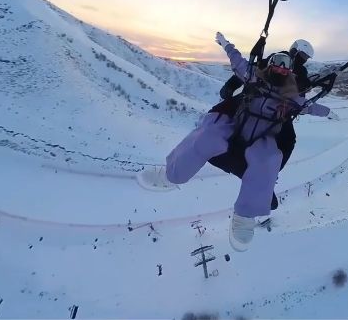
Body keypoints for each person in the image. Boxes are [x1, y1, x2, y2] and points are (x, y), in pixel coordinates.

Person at [138, 33, 330, 251]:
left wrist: (325, 110)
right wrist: (226, 46)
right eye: (281, 62)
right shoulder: (258, 74)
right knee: (209, 134)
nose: (283, 67)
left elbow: (306, 106)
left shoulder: (295, 87)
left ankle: (246, 215)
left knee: (269, 159)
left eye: (299, 60)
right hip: (242, 116)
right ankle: (171, 175)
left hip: (268, 127)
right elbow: (240, 65)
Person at [209, 39, 315, 209]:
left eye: (305, 58)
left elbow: (300, 87)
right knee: (226, 114)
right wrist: (231, 85)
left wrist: (306, 87)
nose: (302, 60)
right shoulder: (279, 59)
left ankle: (268, 176)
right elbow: (252, 70)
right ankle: (208, 146)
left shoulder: (298, 70)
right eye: (302, 56)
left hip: (275, 107)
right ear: (294, 51)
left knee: (288, 139)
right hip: (257, 98)